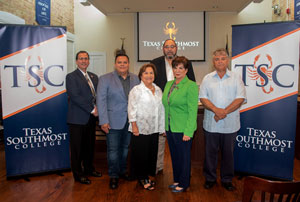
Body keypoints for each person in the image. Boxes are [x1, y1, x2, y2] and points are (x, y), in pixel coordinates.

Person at [199, 48, 246, 191]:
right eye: (217, 59)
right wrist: (216, 110)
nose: (220, 61)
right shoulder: (207, 78)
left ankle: (227, 179)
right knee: (210, 153)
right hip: (211, 124)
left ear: (228, 60)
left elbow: (240, 98)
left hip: (230, 124)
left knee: (228, 154)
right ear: (213, 62)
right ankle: (210, 178)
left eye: (223, 58)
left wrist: (223, 112)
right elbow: (203, 98)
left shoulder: (236, 77)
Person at [151, 39, 196, 174]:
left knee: (182, 153)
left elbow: (192, 84)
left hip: (180, 118)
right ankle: (158, 168)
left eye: (172, 46)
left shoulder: (187, 65)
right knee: (161, 144)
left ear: (176, 48)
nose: (169, 49)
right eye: (166, 47)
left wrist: (189, 131)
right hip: (162, 111)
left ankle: (183, 180)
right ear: (163, 49)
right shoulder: (155, 63)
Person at [97, 53, 140, 189]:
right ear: (115, 64)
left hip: (130, 121)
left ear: (129, 64)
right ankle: (113, 175)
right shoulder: (105, 79)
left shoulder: (136, 78)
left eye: (125, 62)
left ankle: (122, 171)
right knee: (113, 151)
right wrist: (103, 121)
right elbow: (101, 101)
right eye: (119, 62)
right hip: (112, 121)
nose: (122, 65)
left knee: (125, 149)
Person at [162, 56, 198, 192]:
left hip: (183, 129)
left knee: (184, 157)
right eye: (175, 67)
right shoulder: (169, 84)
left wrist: (189, 131)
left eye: (181, 68)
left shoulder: (191, 86)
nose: (177, 70)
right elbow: (166, 106)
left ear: (186, 70)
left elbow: (192, 111)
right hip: (170, 127)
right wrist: (165, 127)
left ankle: (184, 183)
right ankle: (177, 180)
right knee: (175, 156)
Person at [66, 51, 102, 185]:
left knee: (89, 146)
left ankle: (89, 169)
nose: (84, 61)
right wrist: (93, 109)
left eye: (86, 58)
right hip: (77, 119)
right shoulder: (71, 77)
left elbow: (98, 95)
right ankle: (78, 174)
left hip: (91, 119)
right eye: (81, 59)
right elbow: (75, 97)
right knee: (77, 149)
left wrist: (99, 108)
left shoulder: (94, 77)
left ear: (89, 61)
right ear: (76, 61)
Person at [128, 64, 165, 191]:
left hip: (154, 128)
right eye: (146, 73)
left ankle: (147, 177)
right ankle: (142, 178)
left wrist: (162, 128)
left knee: (151, 154)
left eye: (151, 73)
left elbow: (161, 110)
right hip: (141, 128)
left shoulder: (158, 89)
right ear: (141, 75)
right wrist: (134, 126)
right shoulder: (136, 90)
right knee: (141, 155)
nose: (149, 75)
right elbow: (131, 109)